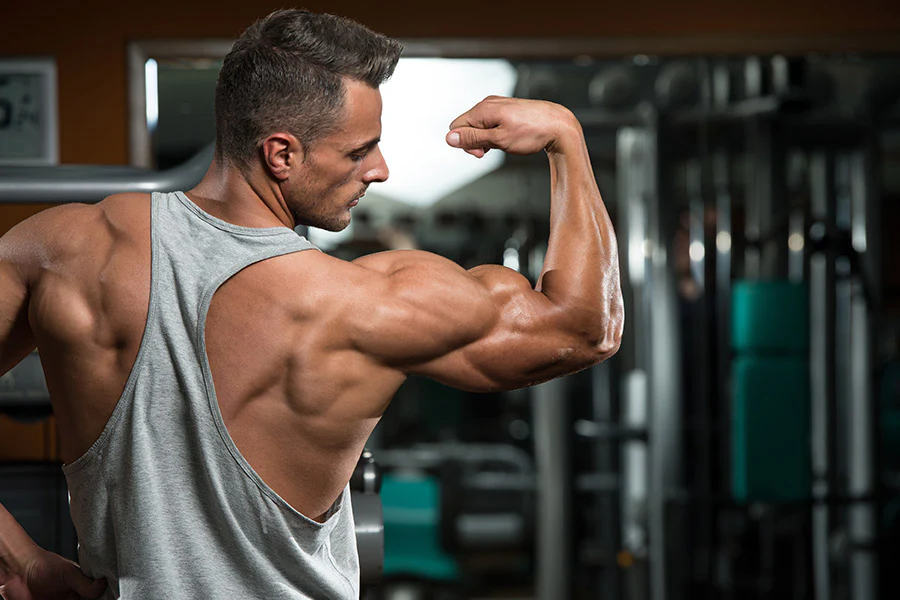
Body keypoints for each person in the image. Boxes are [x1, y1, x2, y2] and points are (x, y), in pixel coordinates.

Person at [0, 8, 623, 600]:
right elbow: (585, 327)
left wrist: (22, 560)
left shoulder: (65, 249)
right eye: (359, 150)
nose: (379, 170)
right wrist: (565, 139)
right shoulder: (364, 304)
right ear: (282, 154)